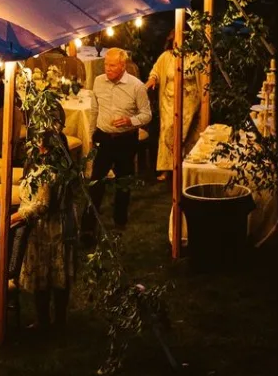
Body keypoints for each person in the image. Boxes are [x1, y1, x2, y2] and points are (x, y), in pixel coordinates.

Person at [17, 112, 77, 331]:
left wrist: (18, 216)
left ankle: (55, 320)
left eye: (41, 143)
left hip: (53, 227)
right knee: (46, 274)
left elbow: (43, 205)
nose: (38, 146)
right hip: (47, 226)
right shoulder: (37, 163)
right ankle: (46, 318)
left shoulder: (54, 170)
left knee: (54, 272)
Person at [83, 47, 151, 236]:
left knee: (123, 183)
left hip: (126, 140)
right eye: (106, 64)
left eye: (112, 65)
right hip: (104, 137)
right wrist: (90, 135)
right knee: (96, 182)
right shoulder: (98, 81)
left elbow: (147, 115)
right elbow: (94, 110)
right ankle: (88, 227)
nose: (107, 68)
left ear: (122, 66)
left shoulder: (136, 86)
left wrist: (131, 121)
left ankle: (119, 222)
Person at [146, 31, 202, 181]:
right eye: (176, 40)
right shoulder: (166, 57)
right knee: (168, 133)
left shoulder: (194, 57)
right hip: (169, 100)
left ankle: (184, 167)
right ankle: (167, 169)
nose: (179, 44)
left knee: (184, 134)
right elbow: (155, 72)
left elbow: (202, 78)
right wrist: (152, 80)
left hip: (189, 100)